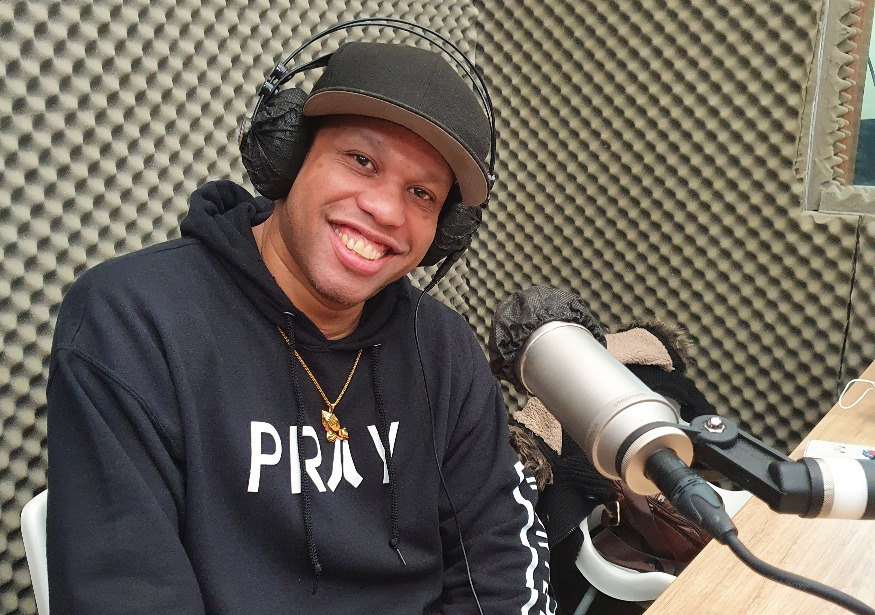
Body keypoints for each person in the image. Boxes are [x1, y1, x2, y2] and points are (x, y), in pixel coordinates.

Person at [46, 33, 555, 614]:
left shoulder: (441, 349)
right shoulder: (132, 323)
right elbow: (126, 593)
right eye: (361, 161)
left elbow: (501, 557)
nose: (386, 211)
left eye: (421, 193)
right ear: (288, 156)